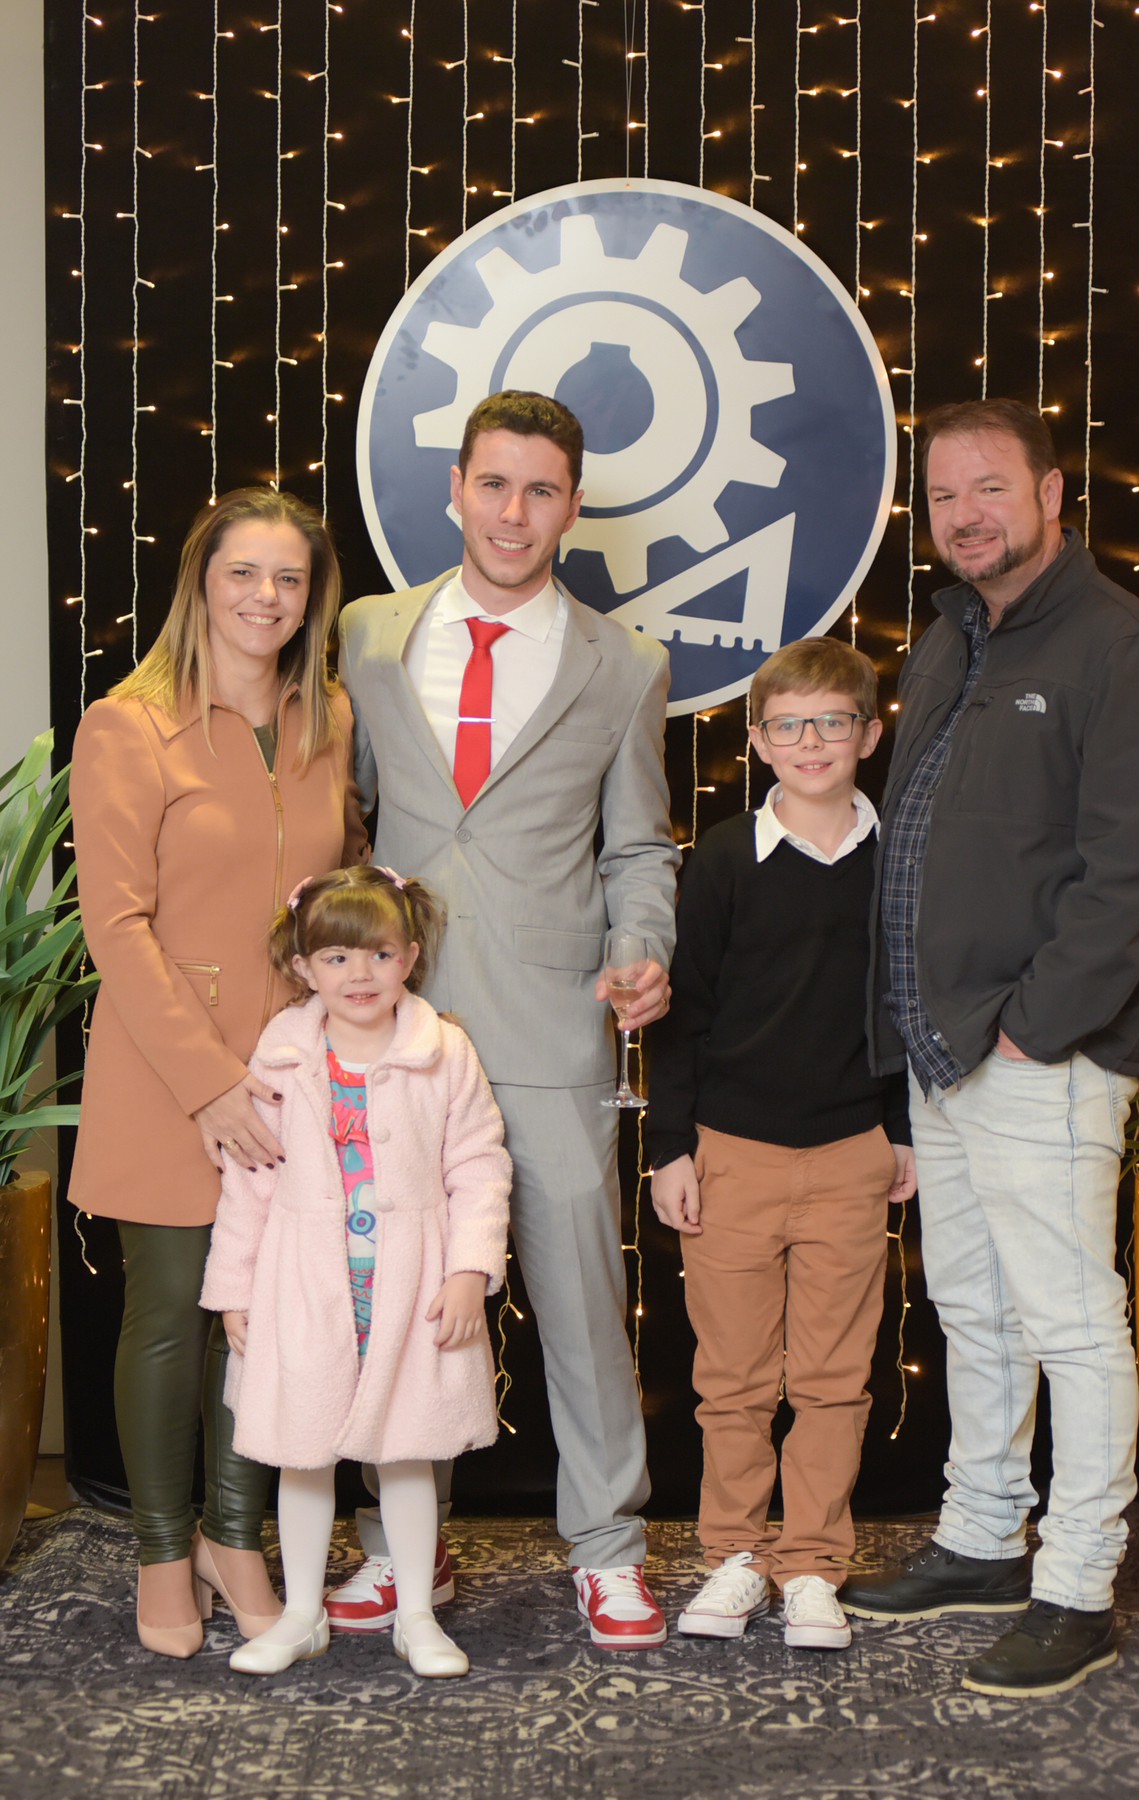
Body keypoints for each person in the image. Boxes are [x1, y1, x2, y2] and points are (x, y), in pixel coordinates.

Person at [837, 399, 1139, 1696]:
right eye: (944, 497)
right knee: (975, 1312)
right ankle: (985, 1539)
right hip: (942, 1046)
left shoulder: (1129, 652)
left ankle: (1079, 1583)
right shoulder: (949, 641)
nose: (966, 516)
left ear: (1052, 493)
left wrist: (1036, 1030)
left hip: (1040, 1052)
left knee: (1072, 1323)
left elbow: (1136, 871)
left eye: (991, 487)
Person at [335, 390, 680, 1647]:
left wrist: (642, 948)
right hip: (396, 1021)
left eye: (540, 490)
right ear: (456, 489)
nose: (514, 512)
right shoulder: (370, 635)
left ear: (572, 506)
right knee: (395, 1288)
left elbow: (638, 845)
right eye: (494, 483)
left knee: (580, 1294)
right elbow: (348, 819)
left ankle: (609, 1546)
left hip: (552, 1017)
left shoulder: (624, 663)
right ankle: (396, 1541)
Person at [70, 488, 367, 1659]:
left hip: (293, 1071)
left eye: (289, 578)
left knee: (268, 1318)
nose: (266, 597)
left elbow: (336, 887)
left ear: (313, 597)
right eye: (244, 573)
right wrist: (207, 1082)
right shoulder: (126, 726)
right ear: (201, 581)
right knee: (169, 1315)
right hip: (165, 1070)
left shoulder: (327, 713)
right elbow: (115, 923)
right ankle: (160, 1546)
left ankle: (233, 1538)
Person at [647, 638, 916, 1651]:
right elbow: (686, 1011)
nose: (812, 742)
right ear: (757, 741)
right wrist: (672, 1146)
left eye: (833, 722)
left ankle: (811, 1565)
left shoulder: (899, 859)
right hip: (732, 1154)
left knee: (836, 1378)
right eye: (789, 725)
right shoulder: (724, 857)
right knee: (734, 1380)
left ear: (869, 734)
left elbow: (911, 1006)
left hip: (851, 1150)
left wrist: (902, 1133)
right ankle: (734, 1555)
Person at [199, 866, 511, 1677]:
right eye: (336, 958)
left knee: (408, 1450)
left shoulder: (443, 1050)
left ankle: (416, 1615)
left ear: (409, 956)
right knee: (302, 1451)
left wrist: (469, 1270)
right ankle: (301, 1614)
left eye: (377, 954)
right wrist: (233, 1288)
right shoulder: (283, 1054)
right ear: (303, 967)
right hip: (303, 1285)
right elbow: (250, 1177)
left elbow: (479, 1162)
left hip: (410, 1286)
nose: (359, 974)